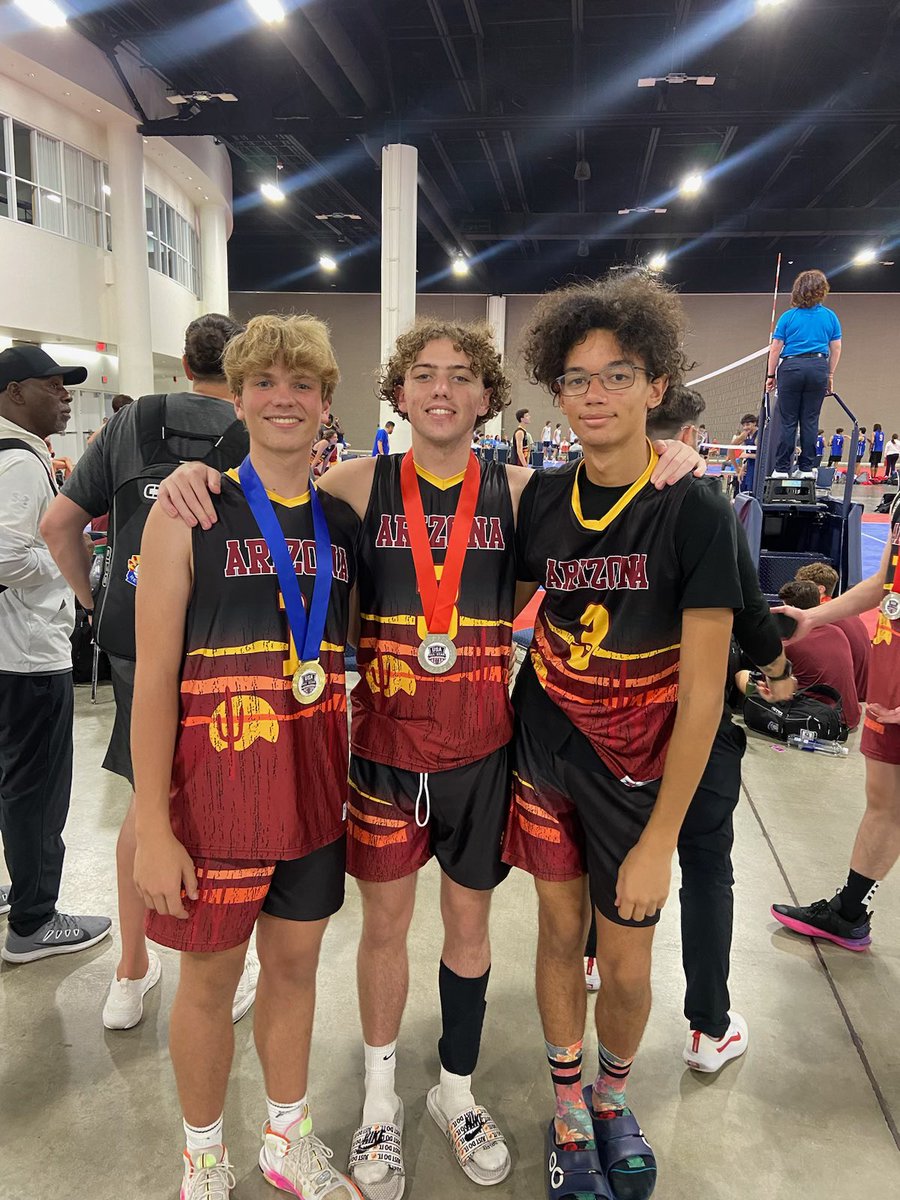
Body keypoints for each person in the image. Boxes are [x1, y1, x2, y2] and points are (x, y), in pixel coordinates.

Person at [154, 314, 704, 1200]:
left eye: (460, 374)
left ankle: (455, 1091)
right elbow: (263, 479)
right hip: (377, 751)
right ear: (398, 392)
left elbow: (618, 501)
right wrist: (192, 475)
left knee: (471, 931)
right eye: (422, 373)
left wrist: (676, 460)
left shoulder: (524, 492)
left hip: (485, 751)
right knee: (380, 931)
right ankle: (378, 1103)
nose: (441, 388)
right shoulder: (354, 484)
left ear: (489, 394)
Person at [504, 274, 742, 1200]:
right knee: (560, 929)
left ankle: (612, 1099)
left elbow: (706, 693)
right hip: (546, 735)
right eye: (576, 378)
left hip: (642, 764)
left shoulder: (697, 509)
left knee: (630, 952)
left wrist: (659, 840)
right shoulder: (543, 500)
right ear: (556, 393)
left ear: (657, 386)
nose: (595, 394)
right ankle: (568, 1109)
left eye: (618, 374)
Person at [132, 314, 360, 1200]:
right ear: (237, 394)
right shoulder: (187, 510)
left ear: (325, 400)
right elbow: (153, 682)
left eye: (301, 383)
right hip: (214, 798)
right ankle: (201, 1155)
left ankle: (284, 1138)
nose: (282, 398)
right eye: (264, 382)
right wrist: (152, 825)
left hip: (310, 793)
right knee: (209, 978)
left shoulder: (342, 521)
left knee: (295, 969)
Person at [41, 314, 259, 1030]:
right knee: (233, 800)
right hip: (229, 644)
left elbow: (57, 526)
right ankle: (233, 957)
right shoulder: (259, 425)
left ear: (186, 364)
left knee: (147, 799)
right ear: (242, 366)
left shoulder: (130, 425)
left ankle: (131, 971)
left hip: (136, 639)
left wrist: (95, 601)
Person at [0, 344, 111, 962]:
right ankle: (34, 920)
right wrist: (74, 558)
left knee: (9, 777)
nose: (66, 395)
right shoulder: (18, 462)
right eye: (52, 385)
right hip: (26, 651)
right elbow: (8, 555)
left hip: (8, 647)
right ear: (14, 393)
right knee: (36, 788)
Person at [772, 494, 900, 951]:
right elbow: (885, 584)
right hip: (892, 686)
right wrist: (813, 616)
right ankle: (848, 914)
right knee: (884, 802)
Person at [748, 580, 860, 730]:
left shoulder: (790, 643)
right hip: (850, 714)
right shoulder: (838, 632)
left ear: (790, 609)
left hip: (822, 719)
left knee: (744, 677)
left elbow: (769, 683)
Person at [766, 269, 842, 480]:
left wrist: (771, 376)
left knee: (788, 421)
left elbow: (775, 348)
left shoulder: (788, 317)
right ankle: (806, 469)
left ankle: (781, 469)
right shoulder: (830, 317)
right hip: (818, 367)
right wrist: (830, 374)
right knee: (810, 420)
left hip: (791, 368)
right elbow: (836, 348)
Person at [795, 562, 869, 700]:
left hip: (845, 698)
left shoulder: (821, 618)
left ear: (820, 589)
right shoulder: (848, 613)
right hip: (861, 692)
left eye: (802, 587)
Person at [731, 412, 758, 494]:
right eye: (743, 425)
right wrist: (738, 468)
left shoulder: (759, 436)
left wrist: (748, 455)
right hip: (749, 465)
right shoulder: (745, 435)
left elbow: (765, 456)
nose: (745, 427)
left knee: (753, 491)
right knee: (744, 489)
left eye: (748, 424)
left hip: (759, 467)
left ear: (754, 423)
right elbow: (731, 448)